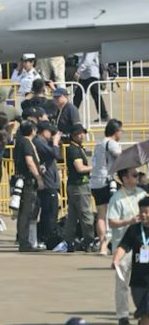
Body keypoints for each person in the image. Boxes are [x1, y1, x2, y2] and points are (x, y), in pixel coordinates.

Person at [109, 168, 147, 324]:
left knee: (144, 281)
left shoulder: (142, 193)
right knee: (122, 284)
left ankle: (144, 311)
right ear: (124, 178)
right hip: (123, 246)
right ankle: (122, 316)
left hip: (142, 245)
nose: (137, 177)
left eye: (138, 174)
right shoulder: (117, 198)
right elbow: (111, 221)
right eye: (134, 175)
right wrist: (128, 221)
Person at [60, 124, 95, 253]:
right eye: (79, 133)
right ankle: (89, 241)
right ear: (73, 135)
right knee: (86, 215)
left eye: (83, 133)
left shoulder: (76, 148)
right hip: (80, 185)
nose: (82, 135)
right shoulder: (74, 150)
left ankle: (69, 241)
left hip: (74, 185)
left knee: (73, 216)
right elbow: (80, 168)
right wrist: (94, 168)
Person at [93, 119, 125, 255]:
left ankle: (103, 246)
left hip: (95, 182)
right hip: (108, 181)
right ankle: (115, 243)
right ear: (116, 131)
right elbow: (120, 158)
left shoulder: (99, 143)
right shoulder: (112, 144)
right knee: (117, 211)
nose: (121, 134)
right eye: (120, 131)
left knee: (101, 214)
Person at [13, 120, 42, 251]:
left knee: (24, 211)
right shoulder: (25, 143)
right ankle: (24, 241)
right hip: (27, 180)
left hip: (23, 178)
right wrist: (39, 178)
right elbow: (30, 162)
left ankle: (23, 239)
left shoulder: (20, 142)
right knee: (26, 211)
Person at [34, 122, 62, 248]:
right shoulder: (39, 142)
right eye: (50, 132)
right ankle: (48, 239)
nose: (52, 135)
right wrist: (55, 142)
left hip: (50, 181)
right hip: (47, 182)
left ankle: (44, 238)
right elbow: (55, 154)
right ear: (43, 131)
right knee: (50, 212)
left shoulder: (44, 143)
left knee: (49, 212)